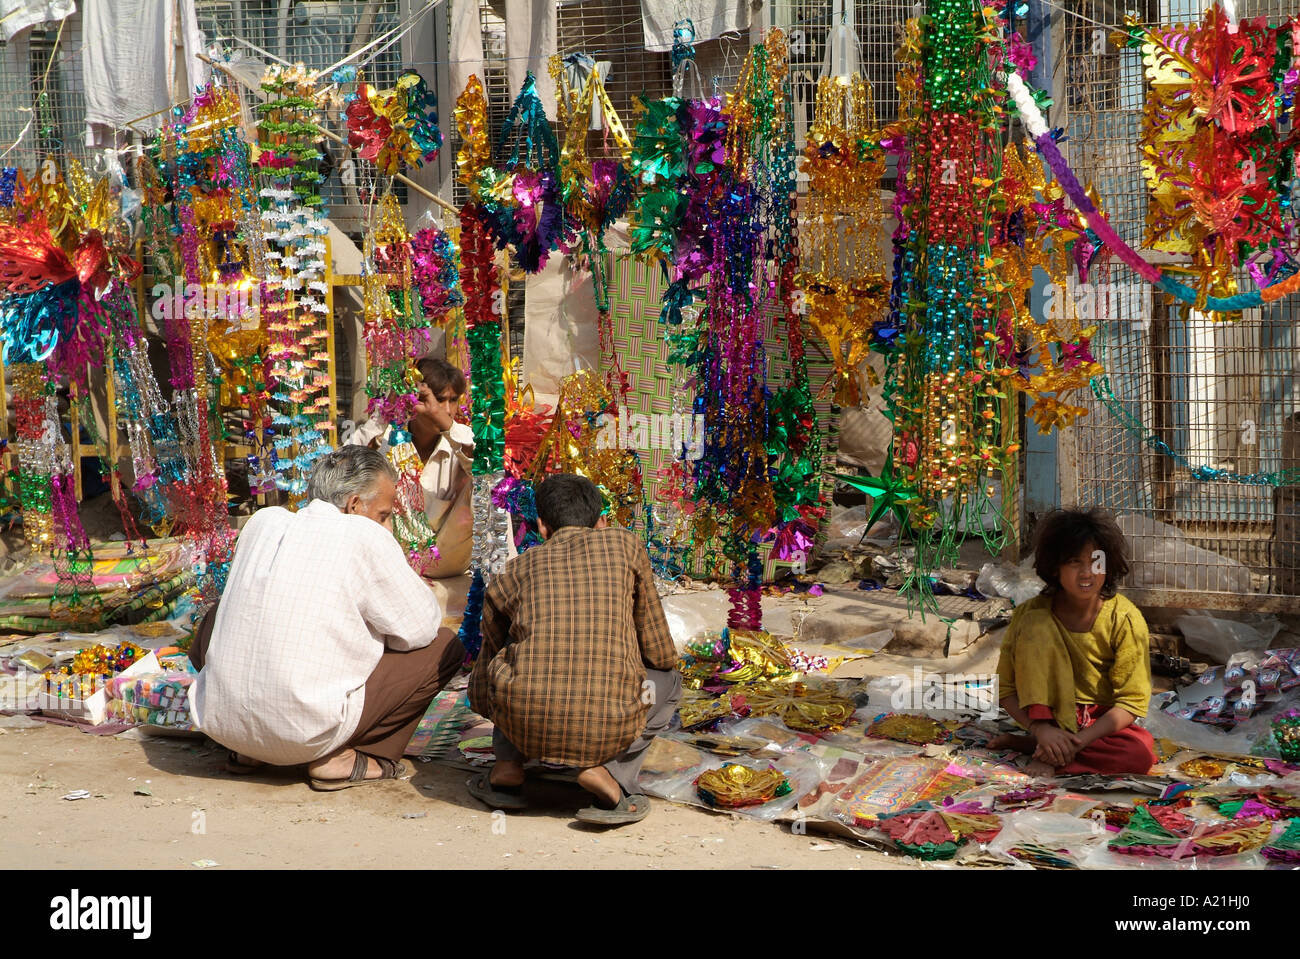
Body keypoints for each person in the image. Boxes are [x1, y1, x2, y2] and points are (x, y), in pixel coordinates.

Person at [189, 445, 463, 790]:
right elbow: (421, 628)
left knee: (219, 615)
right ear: (353, 505)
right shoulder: (363, 534)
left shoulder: (263, 522)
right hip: (304, 733)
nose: (388, 526)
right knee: (444, 646)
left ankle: (249, 750)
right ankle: (344, 760)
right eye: (383, 515)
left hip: (223, 726)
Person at [465, 473, 681, 826]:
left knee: (509, 658)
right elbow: (660, 653)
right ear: (602, 523)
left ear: (542, 527)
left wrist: (487, 701)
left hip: (523, 718)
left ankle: (507, 766)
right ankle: (609, 772)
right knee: (668, 681)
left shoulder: (514, 571)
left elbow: (487, 659)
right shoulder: (625, 546)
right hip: (610, 721)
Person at [990, 508, 1157, 778]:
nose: (1087, 573)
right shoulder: (1029, 615)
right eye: (1074, 562)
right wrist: (1040, 728)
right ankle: (1046, 742)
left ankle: (1049, 751)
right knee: (1037, 624)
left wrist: (1080, 740)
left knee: (1139, 755)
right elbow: (1006, 688)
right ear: (1055, 567)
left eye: (1096, 562)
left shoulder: (1124, 618)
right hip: (1046, 716)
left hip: (1097, 727)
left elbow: (1133, 701)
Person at [349, 356, 475, 578]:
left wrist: (442, 420)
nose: (446, 409)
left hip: (447, 563)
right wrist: (388, 412)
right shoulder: (389, 438)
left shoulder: (461, 439)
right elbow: (347, 462)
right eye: (438, 399)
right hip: (389, 563)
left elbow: (487, 467)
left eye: (453, 400)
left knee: (487, 486)